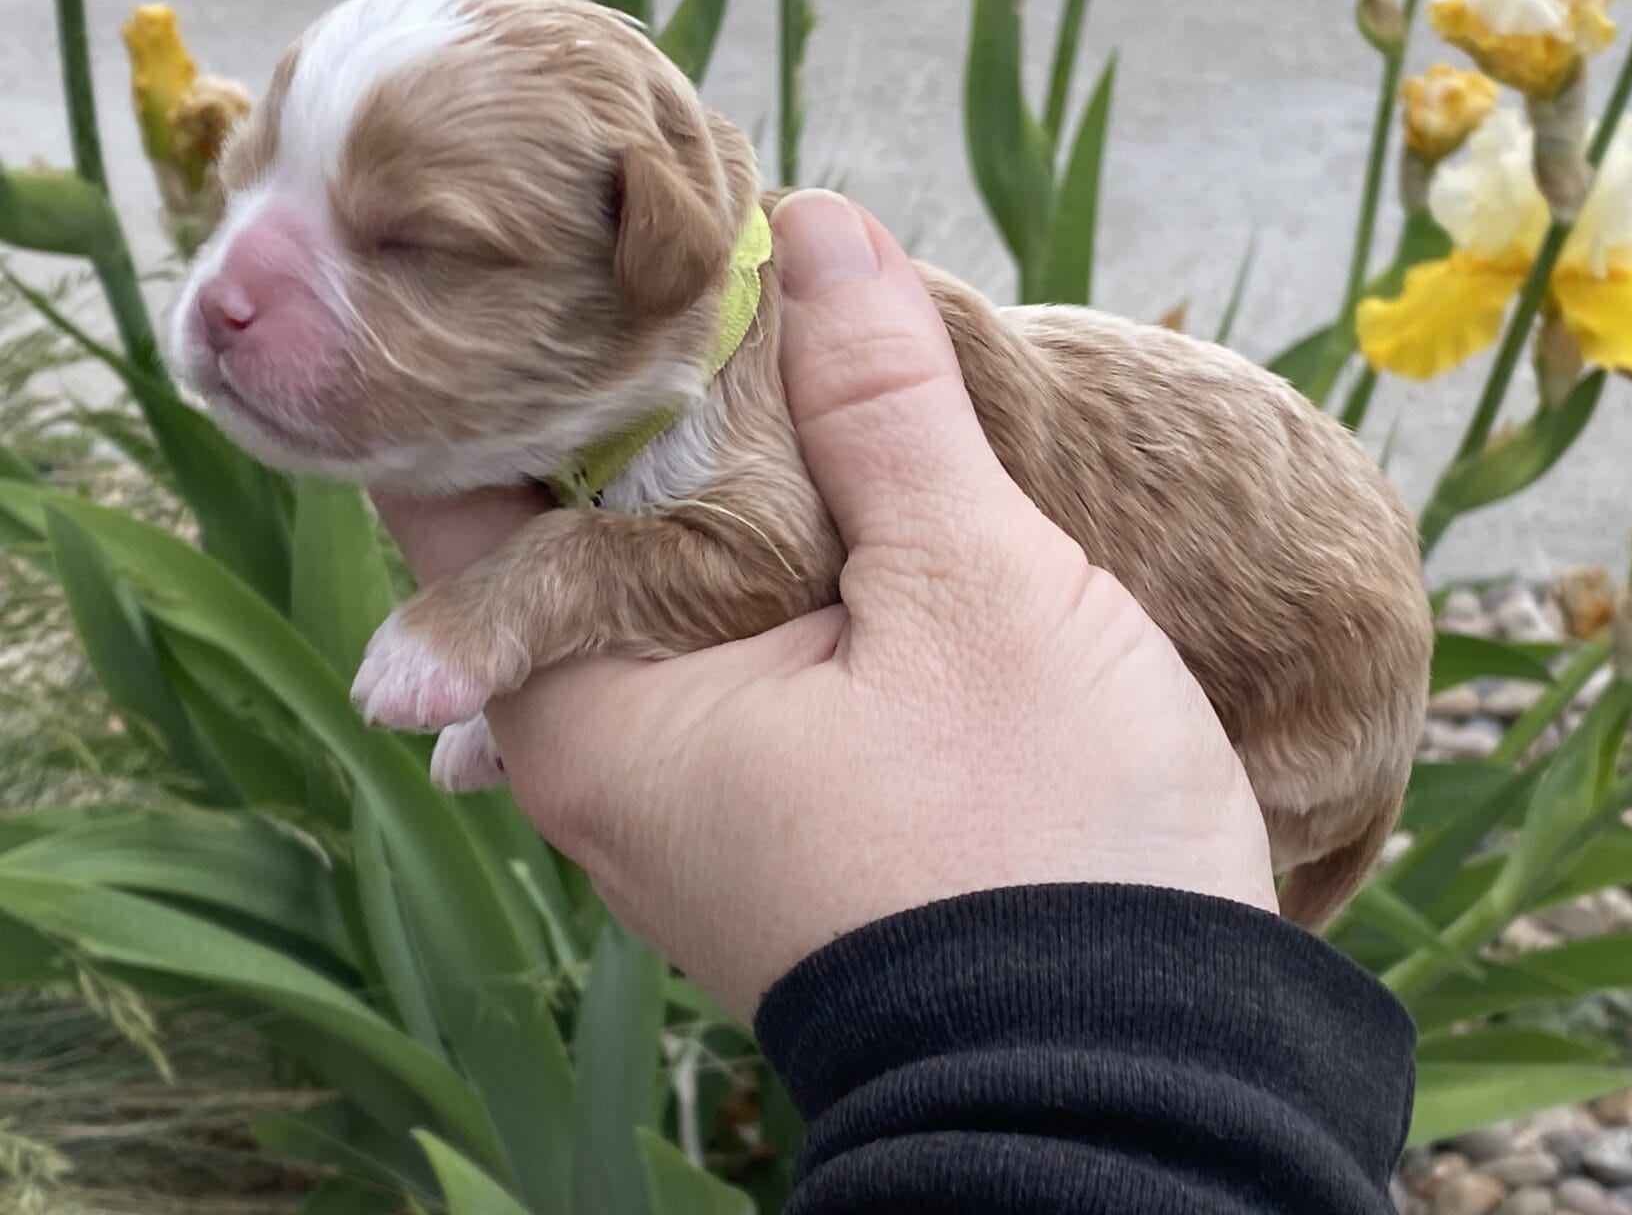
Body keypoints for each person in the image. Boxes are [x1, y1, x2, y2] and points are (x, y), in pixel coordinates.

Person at [376, 190, 1416, 1214]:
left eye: (428, 249)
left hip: (1290, 711)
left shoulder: (745, 386)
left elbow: (758, 575)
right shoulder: (680, 398)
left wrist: (985, 978)